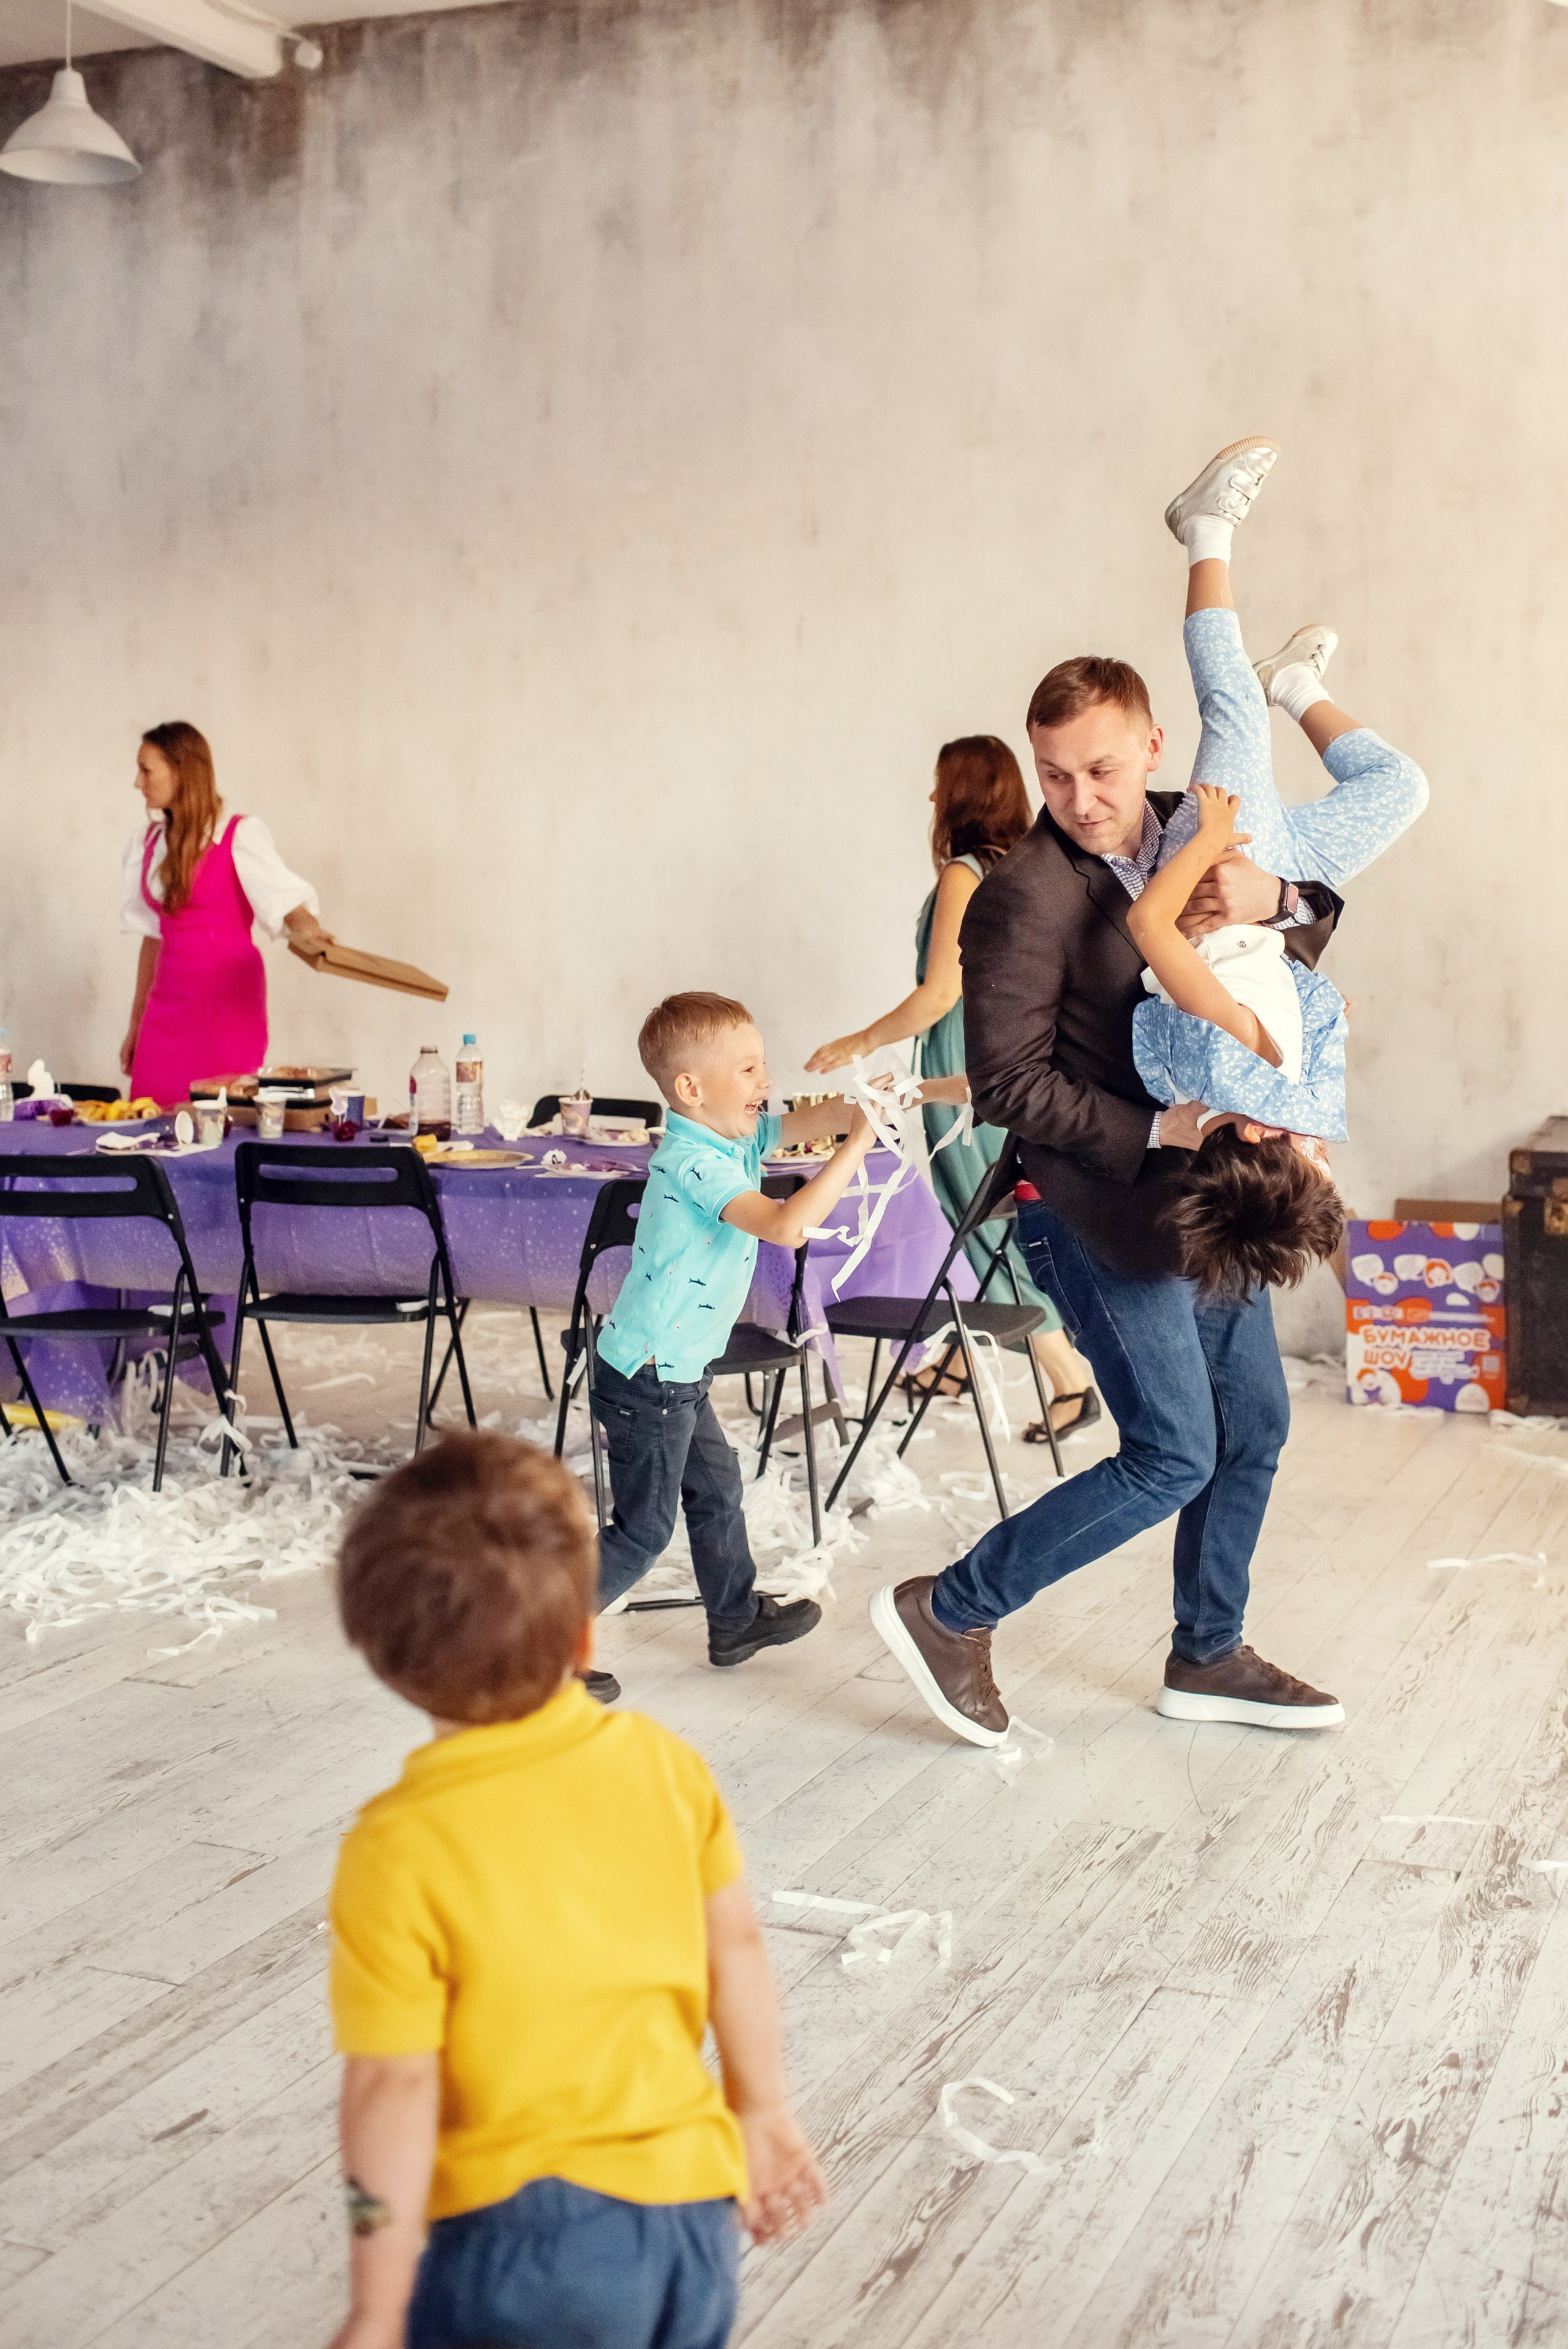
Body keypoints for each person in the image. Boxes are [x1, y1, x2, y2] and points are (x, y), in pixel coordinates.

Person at [869, 436, 1425, 1748]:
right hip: (1101, 1210)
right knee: (1169, 1449)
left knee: (1255, 1426)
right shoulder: (1018, 897)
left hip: (1213, 1196)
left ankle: (1205, 1651)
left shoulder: (1195, 822)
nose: (1079, 800)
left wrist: (1278, 897)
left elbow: (1302, 912)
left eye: (1102, 772)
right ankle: (951, 1607)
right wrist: (1162, 1124)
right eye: (1053, 775)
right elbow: (1003, 1082)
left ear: (1149, 745)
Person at [325, 1431, 826, 2349]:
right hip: (692, 2223)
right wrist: (761, 2107)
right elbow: (737, 1950)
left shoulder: (395, 1847)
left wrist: (378, 2305)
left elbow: (392, 2085)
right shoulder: (665, 1766)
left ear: (380, 1655)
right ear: (587, 1633)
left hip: (518, 2245)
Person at [590, 990, 967, 1684]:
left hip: (676, 1369)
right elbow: (787, 1226)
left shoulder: (732, 1138)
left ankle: (733, 1621)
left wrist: (876, 1102)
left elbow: (813, 1116)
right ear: (690, 1089)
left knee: (716, 1490)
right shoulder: (693, 1164)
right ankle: (539, 1646)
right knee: (642, 1532)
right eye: (749, 1070)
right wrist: (858, 1144)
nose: (765, 1083)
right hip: (649, 1375)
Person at [1123, 491, 1427, 1295]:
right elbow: (1289, 997)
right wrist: (1314, 985)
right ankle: (1293, 681)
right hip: (1270, 894)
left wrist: (1214, 856)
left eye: (1314, 1164)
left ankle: (1203, 528)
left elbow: (1155, 956)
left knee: (1233, 714)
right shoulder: (1224, 1095)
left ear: (1259, 1129)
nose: (1324, 1155)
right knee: (1401, 789)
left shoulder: (1229, 1051)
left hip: (1220, 868)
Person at [805, 735, 1099, 1440]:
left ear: (964, 795)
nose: (932, 798)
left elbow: (940, 993)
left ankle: (1068, 1380)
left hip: (964, 1068)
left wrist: (860, 1040)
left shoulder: (963, 876)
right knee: (976, 1218)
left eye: (941, 785)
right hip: (1007, 1063)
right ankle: (969, 1357)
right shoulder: (1024, 869)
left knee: (984, 1219)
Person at [120, 721, 334, 1107]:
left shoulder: (240, 833)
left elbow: (289, 906)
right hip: (167, 1005)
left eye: (146, 770)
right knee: (150, 1118)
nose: (138, 782)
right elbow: (152, 938)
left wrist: (312, 933)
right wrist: (137, 1025)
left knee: (219, 1120)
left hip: (225, 1008)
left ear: (182, 771)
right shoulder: (149, 843)